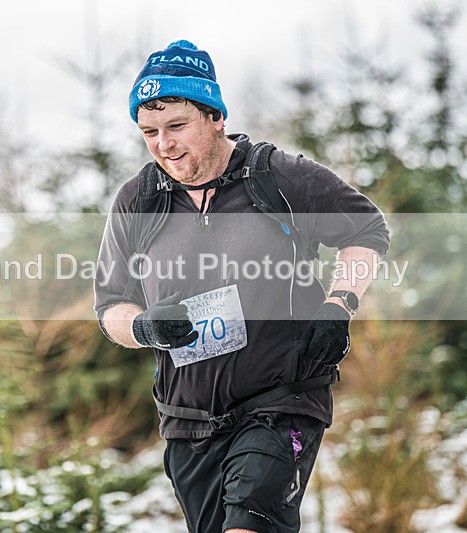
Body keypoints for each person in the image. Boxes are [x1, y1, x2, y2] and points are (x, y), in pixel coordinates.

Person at [94, 40, 390, 533]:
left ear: (215, 117)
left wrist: (340, 303)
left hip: (281, 400)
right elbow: (109, 309)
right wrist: (144, 326)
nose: (163, 144)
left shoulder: (280, 178)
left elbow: (368, 230)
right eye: (149, 131)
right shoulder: (137, 200)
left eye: (176, 126)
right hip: (187, 421)